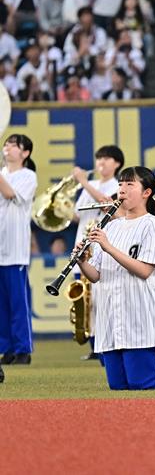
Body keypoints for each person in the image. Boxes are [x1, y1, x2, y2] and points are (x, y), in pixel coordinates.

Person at [74, 166, 155, 390]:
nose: (122, 189)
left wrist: (108, 246)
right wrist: (81, 261)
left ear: (146, 193)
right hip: (112, 319)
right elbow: (95, 275)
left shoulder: (154, 224)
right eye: (120, 184)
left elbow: (144, 270)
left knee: (143, 382)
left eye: (129, 184)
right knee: (118, 386)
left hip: (139, 317)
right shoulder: (111, 227)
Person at [70, 145, 125, 360]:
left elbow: (105, 203)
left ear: (117, 163)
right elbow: (78, 215)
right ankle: (93, 345)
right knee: (86, 302)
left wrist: (83, 181)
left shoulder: (116, 185)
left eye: (107, 158)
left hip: (101, 247)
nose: (101, 162)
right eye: (99, 158)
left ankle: (102, 346)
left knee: (99, 300)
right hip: (82, 245)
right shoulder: (90, 185)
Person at [0, 135, 36, 365]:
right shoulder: (2, 173)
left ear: (25, 153)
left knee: (18, 303)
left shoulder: (28, 176)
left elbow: (10, 194)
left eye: (14, 145)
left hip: (15, 250)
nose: (8, 148)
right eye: (6, 144)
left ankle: (23, 349)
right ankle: (7, 349)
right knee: (1, 305)